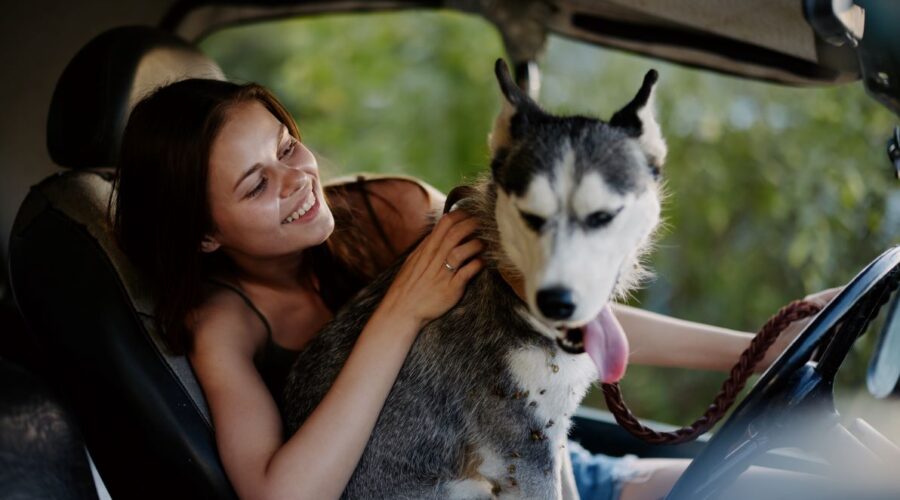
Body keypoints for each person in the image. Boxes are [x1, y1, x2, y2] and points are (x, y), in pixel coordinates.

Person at [113, 78, 838, 500]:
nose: (297, 179)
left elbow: (564, 307)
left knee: (798, 487)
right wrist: (399, 312)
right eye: (255, 183)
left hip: (548, 457)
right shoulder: (223, 324)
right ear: (204, 233)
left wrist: (761, 348)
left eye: (286, 146)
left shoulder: (391, 209)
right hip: (445, 486)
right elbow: (281, 496)